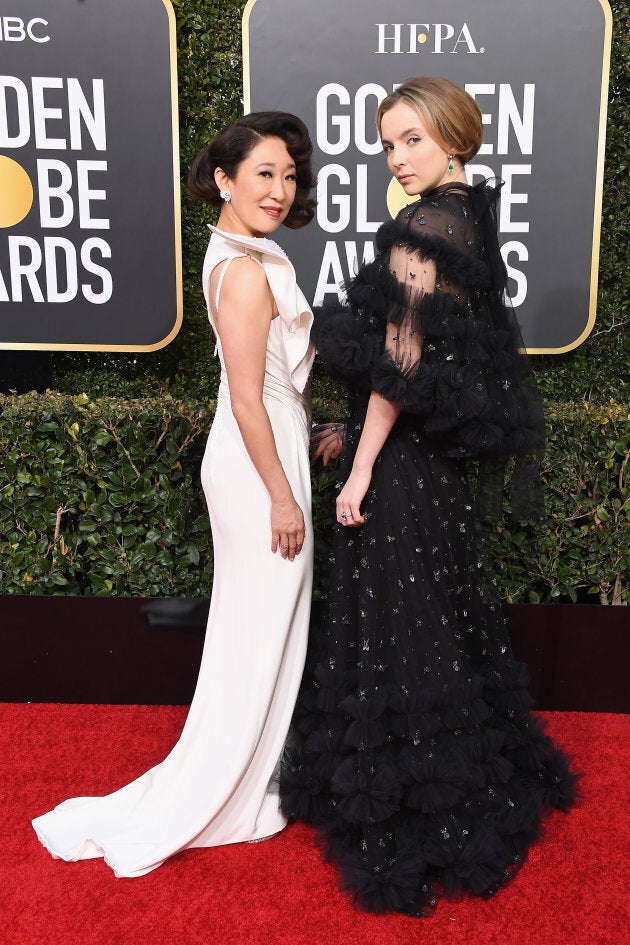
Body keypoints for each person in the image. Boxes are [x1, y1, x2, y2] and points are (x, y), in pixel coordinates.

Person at [280, 77, 578, 916]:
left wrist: (363, 463)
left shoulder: (422, 224)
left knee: (400, 635)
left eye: (411, 138)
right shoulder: (469, 214)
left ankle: (421, 803)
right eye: (386, 142)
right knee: (436, 629)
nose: (397, 158)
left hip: (405, 472)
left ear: (451, 136)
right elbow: (435, 362)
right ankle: (453, 774)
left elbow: (402, 362)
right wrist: (359, 431)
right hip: (435, 470)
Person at [32, 111, 317, 876]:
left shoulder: (238, 254)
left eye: (289, 175)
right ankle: (227, 794)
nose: (280, 189)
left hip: (265, 454)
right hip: (262, 464)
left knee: (260, 632)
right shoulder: (248, 269)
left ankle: (247, 782)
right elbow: (253, 398)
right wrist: (283, 496)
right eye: (264, 173)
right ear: (223, 179)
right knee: (256, 637)